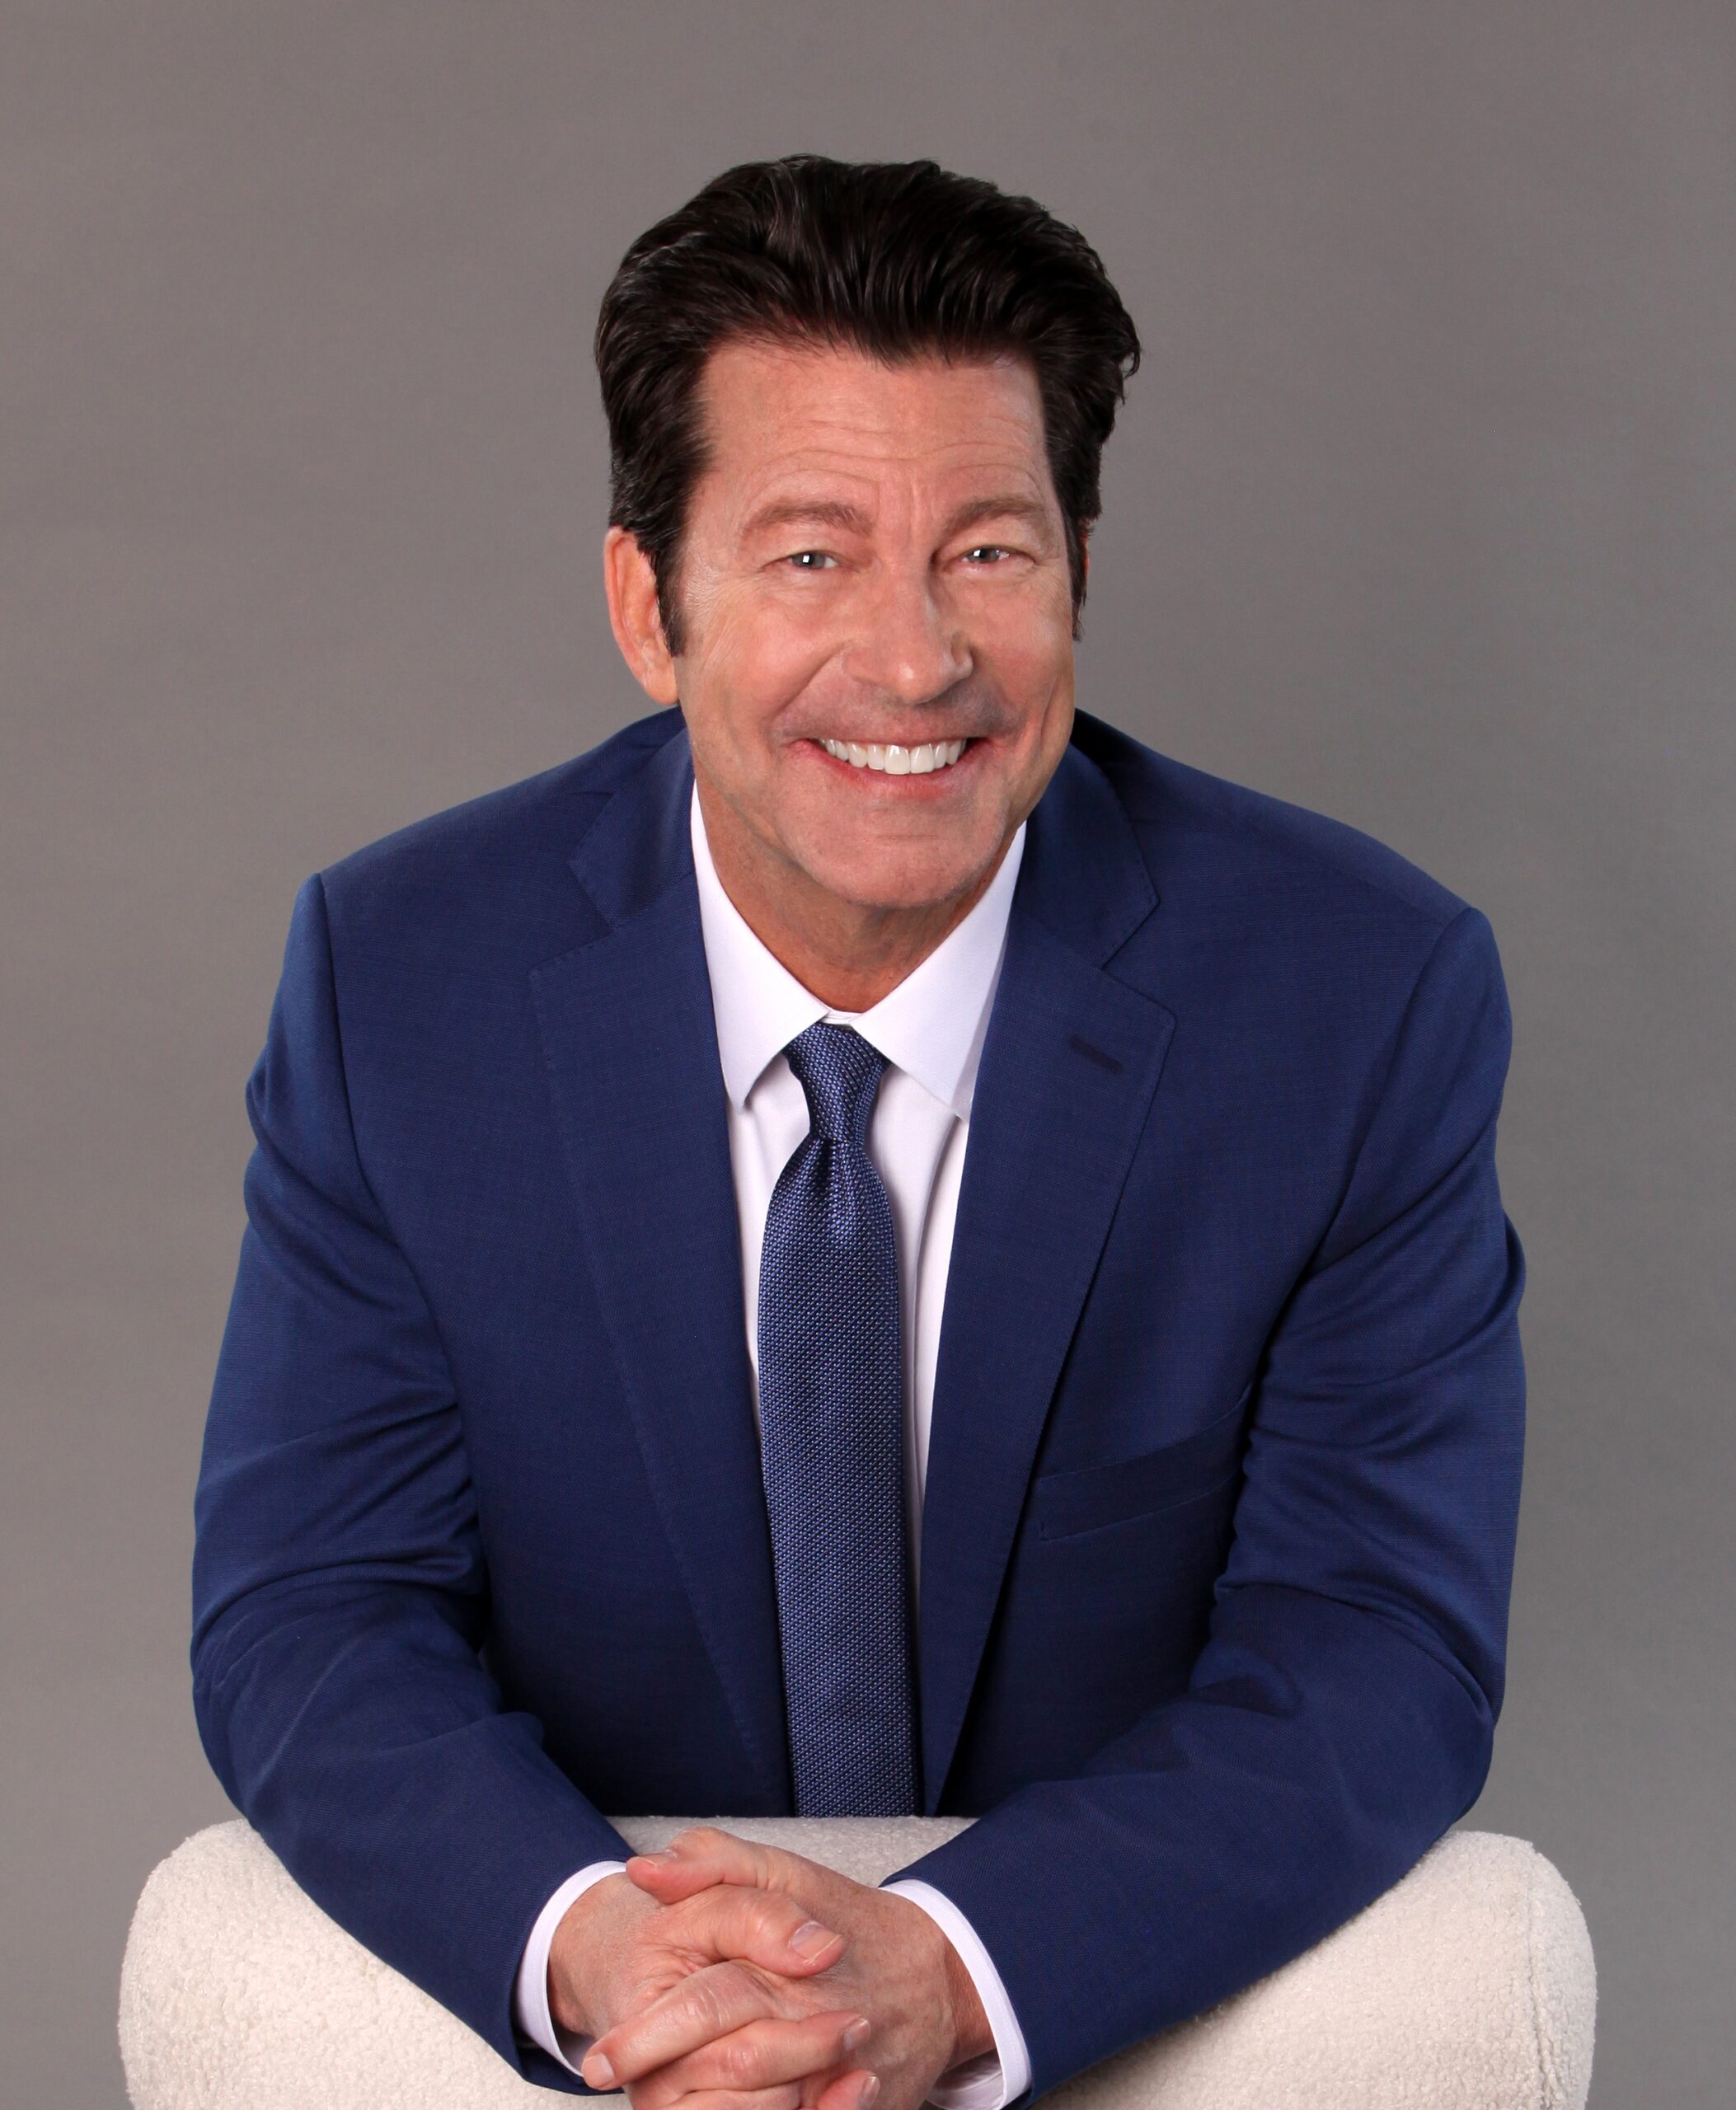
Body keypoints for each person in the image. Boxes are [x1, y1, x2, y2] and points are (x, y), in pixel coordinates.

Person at [190, 155, 1525, 2110]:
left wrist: (962, 1967)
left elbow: (1378, 1647)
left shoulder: (1353, 995)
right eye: (811, 556)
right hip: (642, 1982)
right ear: (649, 606)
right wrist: (597, 1949)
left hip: (1084, 1979)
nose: (914, 662)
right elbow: (315, 1605)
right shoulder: (403, 980)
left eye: (987, 551)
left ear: (1078, 575)